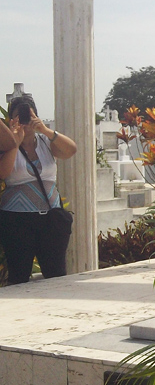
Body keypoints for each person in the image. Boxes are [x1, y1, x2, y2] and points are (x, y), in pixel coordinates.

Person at [0, 94, 77, 284]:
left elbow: (71, 150)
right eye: (20, 117)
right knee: (19, 275)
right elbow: (3, 173)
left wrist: (45, 130)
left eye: (28, 116)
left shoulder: (45, 143)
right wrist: (15, 142)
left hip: (50, 221)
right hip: (17, 220)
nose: (25, 122)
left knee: (56, 274)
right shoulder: (8, 145)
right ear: (11, 119)